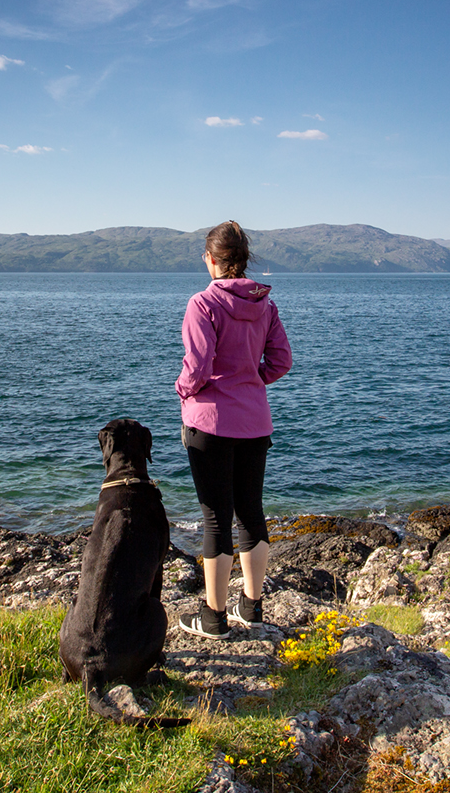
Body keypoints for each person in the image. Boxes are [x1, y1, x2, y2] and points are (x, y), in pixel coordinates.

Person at [175, 220, 292, 639]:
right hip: (255, 422)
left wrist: (183, 390)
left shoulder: (202, 304)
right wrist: (249, 378)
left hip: (210, 424)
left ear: (210, 259)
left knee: (215, 520)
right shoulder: (266, 305)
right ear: (243, 260)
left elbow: (198, 368)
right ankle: (252, 607)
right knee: (251, 512)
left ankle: (213, 618)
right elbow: (280, 363)